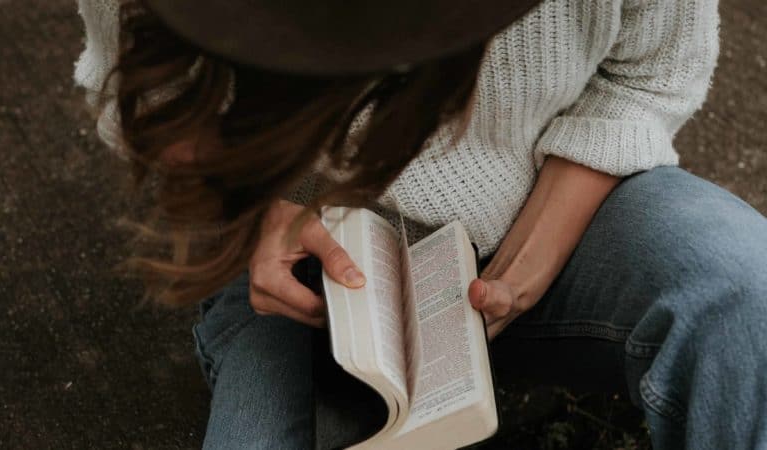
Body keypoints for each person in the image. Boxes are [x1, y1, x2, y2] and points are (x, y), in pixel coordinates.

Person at [75, 0, 767, 449]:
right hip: (308, 281)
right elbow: (150, 102)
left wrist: (529, 259)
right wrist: (274, 198)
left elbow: (652, 72)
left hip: (555, 208)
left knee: (742, 287)